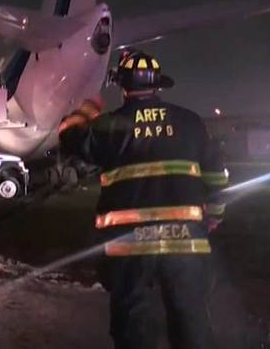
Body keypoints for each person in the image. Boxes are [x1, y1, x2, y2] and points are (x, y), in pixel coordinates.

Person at [59, 51, 228, 349]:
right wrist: (214, 216)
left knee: (132, 326)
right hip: (187, 243)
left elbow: (68, 135)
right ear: (158, 85)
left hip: (129, 247)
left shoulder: (109, 126)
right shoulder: (190, 122)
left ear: (122, 85)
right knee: (192, 322)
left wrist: (88, 108)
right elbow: (216, 177)